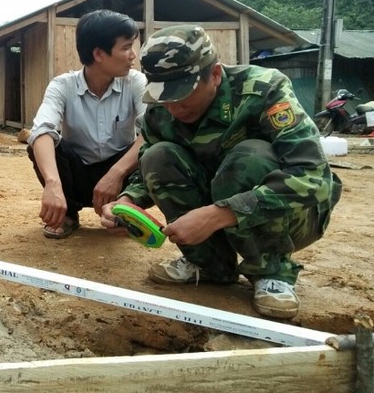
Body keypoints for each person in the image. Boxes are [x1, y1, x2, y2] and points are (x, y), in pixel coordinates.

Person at [100, 24, 342, 319]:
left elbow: (313, 177)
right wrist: (129, 202)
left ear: (214, 74)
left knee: (249, 156)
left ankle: (271, 271)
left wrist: (218, 214)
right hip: (216, 208)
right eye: (165, 97)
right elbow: (150, 165)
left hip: (295, 218)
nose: (174, 109)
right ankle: (209, 264)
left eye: (182, 95)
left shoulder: (264, 90)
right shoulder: (160, 110)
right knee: (156, 155)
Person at [27, 9, 147, 239]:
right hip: (76, 175)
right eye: (125, 47)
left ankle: (125, 208)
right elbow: (41, 131)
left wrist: (116, 173)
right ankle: (69, 214)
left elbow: (153, 131)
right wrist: (52, 183)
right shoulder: (62, 85)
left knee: (153, 151)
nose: (133, 55)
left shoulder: (135, 82)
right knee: (43, 144)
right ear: (99, 54)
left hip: (120, 176)